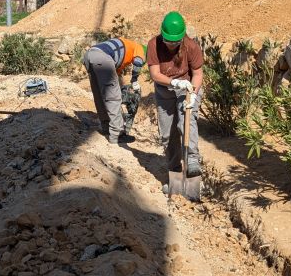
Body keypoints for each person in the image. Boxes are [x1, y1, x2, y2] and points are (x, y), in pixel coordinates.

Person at [147, 11, 204, 178]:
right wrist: (174, 82)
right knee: (167, 133)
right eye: (168, 41)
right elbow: (155, 74)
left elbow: (198, 74)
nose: (171, 45)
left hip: (187, 89)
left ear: (182, 37)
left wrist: (193, 94)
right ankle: (175, 171)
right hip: (164, 90)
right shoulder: (154, 44)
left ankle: (192, 160)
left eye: (175, 42)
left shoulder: (191, 46)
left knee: (186, 120)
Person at [82, 37, 147, 144]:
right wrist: (134, 81)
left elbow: (113, 78)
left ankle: (106, 128)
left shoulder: (123, 52)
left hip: (89, 56)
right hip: (102, 58)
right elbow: (138, 63)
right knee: (114, 98)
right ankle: (117, 135)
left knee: (100, 96)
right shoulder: (138, 47)